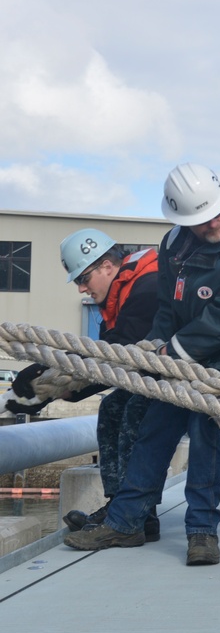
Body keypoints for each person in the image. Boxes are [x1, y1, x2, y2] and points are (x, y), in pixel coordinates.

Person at [64, 163, 220, 566]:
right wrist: (158, 343)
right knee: (158, 416)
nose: (213, 224)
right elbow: (168, 307)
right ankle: (127, 521)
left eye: (215, 213)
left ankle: (202, 531)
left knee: (208, 419)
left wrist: (172, 354)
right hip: (200, 338)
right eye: (201, 220)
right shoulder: (174, 243)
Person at [10, 229, 160, 537]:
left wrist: (47, 373)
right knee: (113, 407)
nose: (81, 289)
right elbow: (106, 365)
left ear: (107, 265)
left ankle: (131, 516)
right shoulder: (119, 298)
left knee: (131, 409)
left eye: (84, 278)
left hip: (182, 382)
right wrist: (57, 390)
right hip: (153, 380)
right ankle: (125, 507)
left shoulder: (147, 288)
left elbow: (120, 351)